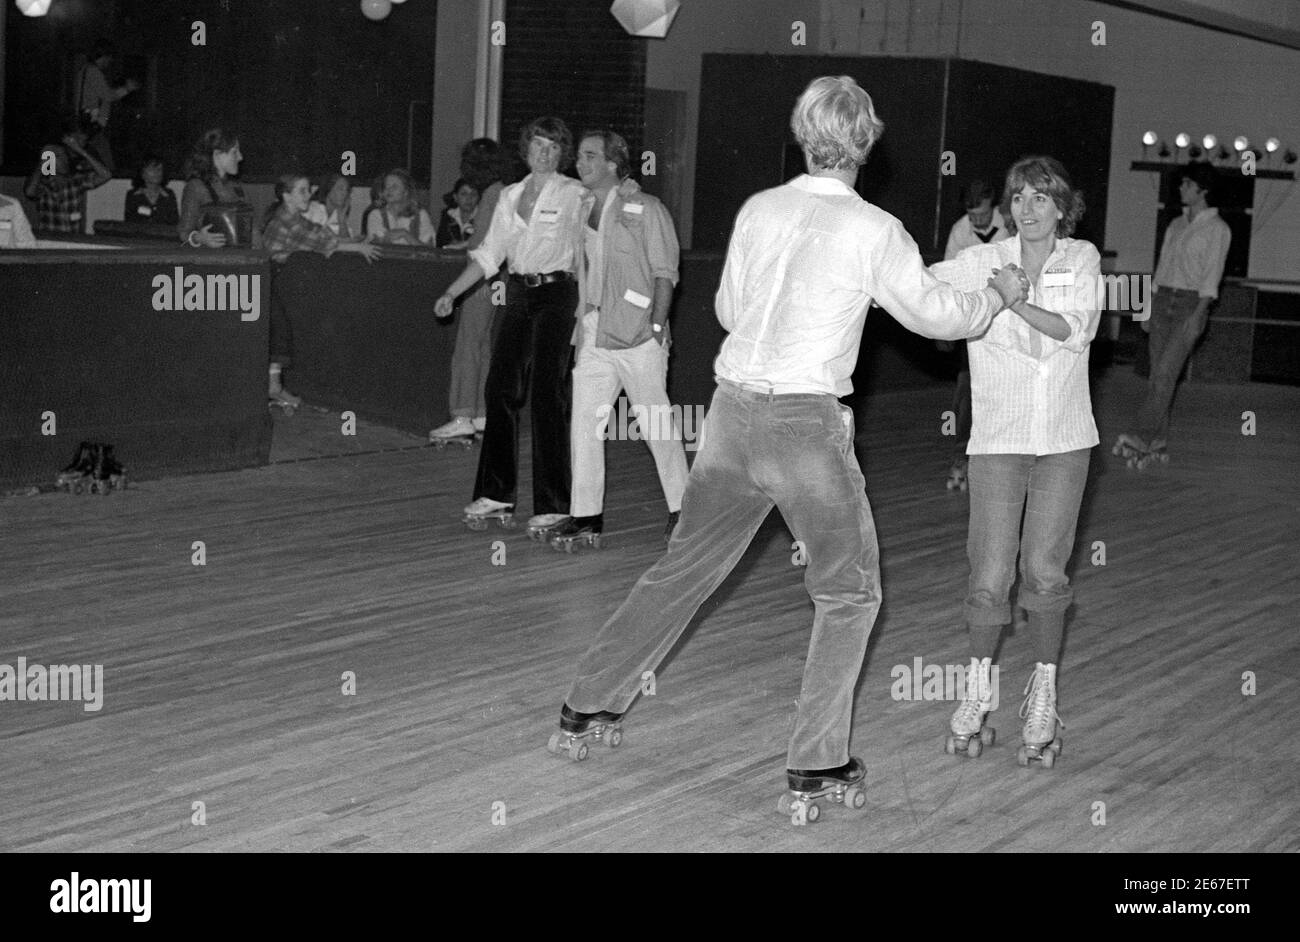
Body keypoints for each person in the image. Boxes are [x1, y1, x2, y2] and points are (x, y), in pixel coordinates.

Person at [550, 77, 1028, 808]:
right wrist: (997, 292)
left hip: (732, 415)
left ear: (803, 137)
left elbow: (731, 308)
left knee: (683, 569)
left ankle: (588, 701)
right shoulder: (875, 229)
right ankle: (817, 761)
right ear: (866, 141)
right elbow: (939, 318)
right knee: (848, 592)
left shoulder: (761, 210)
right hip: (804, 427)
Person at [929, 156, 1101, 768]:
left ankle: (1043, 696)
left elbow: (1074, 329)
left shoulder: (1080, 260)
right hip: (997, 441)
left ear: (1061, 207)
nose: (1028, 208)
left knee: (1046, 573)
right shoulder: (979, 262)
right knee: (989, 572)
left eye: (1040, 197)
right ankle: (978, 691)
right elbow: (918, 285)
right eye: (1019, 197)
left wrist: (1011, 299)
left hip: (1063, 441)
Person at [435, 118, 587, 537]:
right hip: (518, 294)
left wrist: (625, 189)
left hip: (558, 296)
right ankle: (496, 493)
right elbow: (488, 256)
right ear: (526, 149)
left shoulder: (575, 193)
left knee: (546, 393)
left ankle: (554, 505)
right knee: (500, 389)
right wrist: (452, 292)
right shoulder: (510, 195)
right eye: (539, 145)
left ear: (562, 155)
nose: (545, 154)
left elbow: (597, 232)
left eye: (554, 148)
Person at [547, 129, 688, 551]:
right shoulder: (583, 208)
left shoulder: (647, 209)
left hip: (640, 334)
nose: (580, 163)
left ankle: (684, 511)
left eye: (590, 156)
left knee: (655, 424)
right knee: (585, 424)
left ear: (612, 163)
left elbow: (666, 273)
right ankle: (586, 515)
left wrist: (658, 327)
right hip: (593, 332)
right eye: (581, 156)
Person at [1115, 162, 1230, 468]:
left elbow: (1212, 277)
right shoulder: (1176, 225)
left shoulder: (1218, 229)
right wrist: (1147, 306)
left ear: (1202, 190)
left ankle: (1140, 435)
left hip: (1190, 306)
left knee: (1166, 374)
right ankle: (1157, 440)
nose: (1181, 188)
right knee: (1158, 377)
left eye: (1187, 184)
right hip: (1162, 298)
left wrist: (1198, 315)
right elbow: (1162, 268)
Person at [260, 173, 379, 412]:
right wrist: (356, 246)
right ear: (286, 196)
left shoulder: (297, 218)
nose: (309, 195)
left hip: (282, 280)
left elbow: (320, 232)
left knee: (283, 331)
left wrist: (349, 238)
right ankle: (273, 387)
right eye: (302, 191)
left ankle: (275, 386)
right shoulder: (286, 220)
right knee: (280, 331)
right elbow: (320, 242)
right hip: (270, 280)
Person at [429, 139, 513, 443]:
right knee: (481, 346)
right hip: (498, 280)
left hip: (482, 280)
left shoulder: (491, 195)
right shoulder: (503, 190)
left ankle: (462, 415)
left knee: (468, 345)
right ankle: (479, 414)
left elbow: (482, 246)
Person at [939, 179, 1012, 491]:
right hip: (974, 325)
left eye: (983, 215)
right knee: (966, 391)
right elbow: (948, 277)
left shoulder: (1011, 226)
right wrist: (946, 325)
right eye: (973, 216)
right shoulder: (960, 231)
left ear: (992, 206)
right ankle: (961, 457)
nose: (978, 221)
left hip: (1007, 323)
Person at [23, 129, 111, 235]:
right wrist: (42, 164)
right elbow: (29, 192)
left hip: (74, 240)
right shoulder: (43, 185)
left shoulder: (75, 181)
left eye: (62, 155)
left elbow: (106, 175)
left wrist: (81, 151)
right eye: (56, 157)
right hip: (50, 241)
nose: (61, 160)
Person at [74, 39, 139, 172]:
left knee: (91, 160)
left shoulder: (84, 70)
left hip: (87, 122)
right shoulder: (93, 71)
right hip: (92, 124)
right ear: (104, 56)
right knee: (107, 164)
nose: (109, 63)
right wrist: (127, 88)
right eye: (109, 58)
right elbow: (108, 95)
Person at [178, 127, 247, 248]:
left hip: (240, 260)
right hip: (211, 262)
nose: (240, 157)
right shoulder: (196, 187)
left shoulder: (237, 187)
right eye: (235, 152)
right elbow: (183, 233)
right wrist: (199, 238)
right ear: (217, 154)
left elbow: (253, 231)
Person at [364, 169, 434, 246]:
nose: (389, 190)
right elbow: (376, 245)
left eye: (394, 186)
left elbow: (429, 249)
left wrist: (405, 234)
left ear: (406, 192)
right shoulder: (375, 215)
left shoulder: (420, 215)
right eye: (386, 186)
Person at [124, 155, 179, 227]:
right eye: (152, 169)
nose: (157, 173)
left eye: (160, 169)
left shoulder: (169, 195)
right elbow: (130, 222)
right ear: (142, 173)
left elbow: (174, 222)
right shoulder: (133, 195)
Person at [306, 173, 358, 240]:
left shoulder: (338, 212)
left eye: (347, 190)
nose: (345, 193)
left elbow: (347, 243)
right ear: (328, 189)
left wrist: (341, 220)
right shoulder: (313, 208)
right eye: (340, 189)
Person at [436, 178, 479, 249]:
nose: (469, 198)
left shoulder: (484, 218)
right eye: (464, 194)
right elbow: (440, 245)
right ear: (455, 197)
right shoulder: (447, 216)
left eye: (473, 194)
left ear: (478, 198)